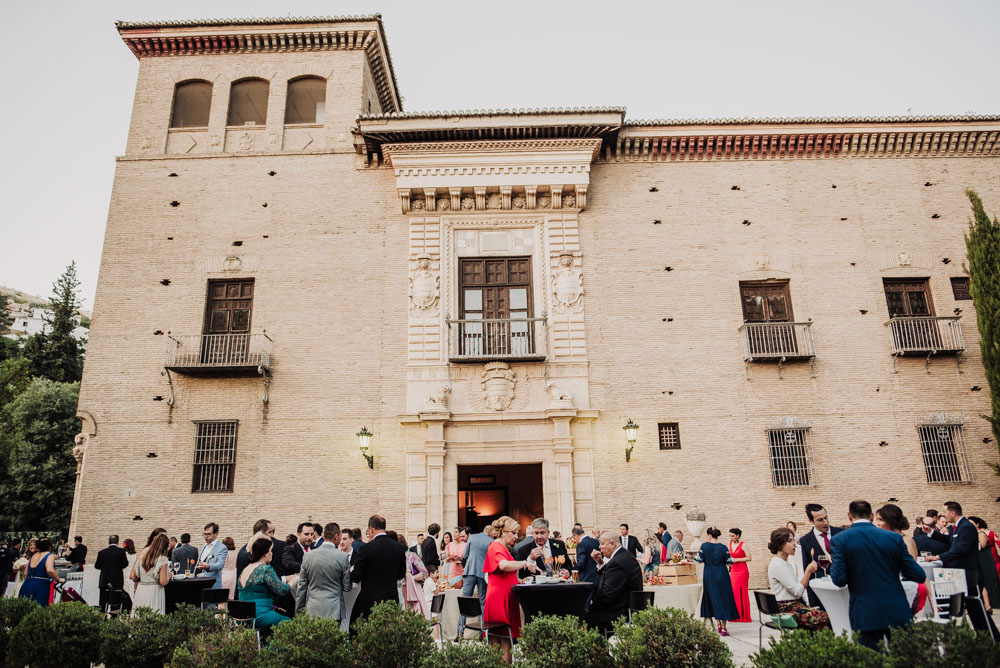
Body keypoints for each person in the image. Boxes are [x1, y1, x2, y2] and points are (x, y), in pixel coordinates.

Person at [830, 500, 925, 651]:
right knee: (905, 658)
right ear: (872, 516)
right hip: (897, 609)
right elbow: (918, 574)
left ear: (849, 516)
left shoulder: (839, 540)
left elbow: (839, 579)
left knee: (872, 660)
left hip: (865, 612)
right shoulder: (894, 538)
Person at [483, 516, 539, 660]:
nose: (516, 537)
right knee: (503, 639)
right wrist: (525, 563)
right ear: (503, 532)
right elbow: (503, 565)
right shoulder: (496, 546)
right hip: (499, 599)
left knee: (501, 639)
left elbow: (502, 574)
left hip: (503, 596)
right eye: (513, 533)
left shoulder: (501, 547)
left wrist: (518, 580)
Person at [766, 527, 830, 629]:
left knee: (823, 622)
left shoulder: (785, 563)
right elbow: (797, 591)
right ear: (780, 544)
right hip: (786, 608)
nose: (794, 544)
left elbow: (799, 588)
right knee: (825, 616)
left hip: (793, 605)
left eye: (794, 540)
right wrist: (808, 573)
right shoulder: (778, 565)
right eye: (789, 541)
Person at [350, 515, 406, 626]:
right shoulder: (399, 548)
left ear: (371, 528)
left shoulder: (366, 549)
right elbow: (400, 575)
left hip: (370, 601)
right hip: (391, 599)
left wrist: (352, 570)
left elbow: (356, 577)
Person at [585, 530, 643, 634]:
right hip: (627, 608)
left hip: (618, 613)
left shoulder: (617, 562)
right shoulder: (625, 555)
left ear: (612, 544)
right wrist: (600, 562)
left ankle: (598, 648)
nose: (599, 547)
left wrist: (591, 602)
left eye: (602, 544)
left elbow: (607, 595)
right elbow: (612, 576)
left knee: (585, 615)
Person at [296, 523, 352, 621]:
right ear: (336, 536)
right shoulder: (342, 557)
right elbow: (347, 587)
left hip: (312, 609)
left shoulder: (308, 556)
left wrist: (298, 612)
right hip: (334, 609)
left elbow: (302, 588)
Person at [239, 537, 295, 629]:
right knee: (288, 623)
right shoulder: (265, 569)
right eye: (270, 551)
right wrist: (294, 580)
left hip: (243, 614)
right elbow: (282, 590)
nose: (272, 554)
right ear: (265, 553)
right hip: (259, 614)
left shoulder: (246, 568)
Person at [799, 503, 845, 607]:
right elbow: (808, 569)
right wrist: (813, 602)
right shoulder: (806, 541)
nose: (825, 522)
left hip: (844, 588)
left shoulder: (842, 533)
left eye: (826, 518)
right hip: (824, 590)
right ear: (811, 521)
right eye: (820, 520)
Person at [695, 527, 739, 636]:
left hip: (709, 574)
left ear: (709, 535)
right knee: (724, 598)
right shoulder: (723, 547)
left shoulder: (704, 546)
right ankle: (724, 628)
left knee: (712, 597)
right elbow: (729, 562)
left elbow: (699, 560)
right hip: (722, 574)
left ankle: (718, 624)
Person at [933, 501, 979, 597]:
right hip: (959, 571)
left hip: (967, 571)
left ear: (953, 513)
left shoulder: (966, 527)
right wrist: (931, 533)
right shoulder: (958, 526)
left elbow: (960, 549)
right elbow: (949, 540)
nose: (944, 515)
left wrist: (938, 557)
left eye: (945, 512)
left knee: (972, 603)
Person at [457, 524, 493, 636]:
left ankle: (460, 631)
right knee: (482, 601)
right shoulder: (491, 541)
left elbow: (466, 554)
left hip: (470, 570)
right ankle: (481, 632)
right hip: (483, 573)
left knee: (465, 600)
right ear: (491, 533)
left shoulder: (472, 537)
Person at [131, 533, 170, 614]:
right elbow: (163, 581)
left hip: (141, 590)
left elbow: (133, 576)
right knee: (154, 614)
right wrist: (169, 575)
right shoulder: (162, 559)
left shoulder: (142, 557)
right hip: (154, 591)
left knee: (139, 616)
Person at [18, 538, 64, 606]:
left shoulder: (34, 556)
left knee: (24, 608)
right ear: (49, 546)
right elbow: (50, 570)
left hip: (27, 583)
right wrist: (59, 579)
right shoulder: (49, 555)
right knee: (39, 609)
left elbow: (25, 573)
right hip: (41, 585)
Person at [970, 517, 1000, 613]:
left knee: (988, 579)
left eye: (972, 523)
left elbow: (982, 545)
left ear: (977, 524)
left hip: (985, 558)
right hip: (980, 558)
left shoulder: (981, 533)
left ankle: (991, 603)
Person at [398, 534, 429, 618]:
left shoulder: (411, 555)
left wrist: (411, 577)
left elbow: (425, 573)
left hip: (414, 589)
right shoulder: (392, 558)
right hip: (399, 591)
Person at [95, 534, 128, 611]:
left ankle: (102, 616)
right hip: (117, 581)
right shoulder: (121, 552)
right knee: (115, 603)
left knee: (103, 603)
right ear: (117, 542)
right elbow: (125, 564)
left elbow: (97, 566)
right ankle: (114, 619)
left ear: (108, 542)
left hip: (104, 580)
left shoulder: (102, 552)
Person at [728, 528, 752, 623]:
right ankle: (735, 614)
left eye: (733, 536)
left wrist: (737, 560)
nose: (731, 538)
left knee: (742, 592)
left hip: (742, 571)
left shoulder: (743, 545)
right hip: (733, 570)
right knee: (734, 591)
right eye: (730, 536)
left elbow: (749, 557)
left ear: (737, 536)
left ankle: (743, 615)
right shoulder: (729, 544)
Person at [196, 522, 228, 588]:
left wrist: (208, 566)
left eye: (209, 534)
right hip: (199, 583)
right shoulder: (203, 546)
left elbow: (220, 564)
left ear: (216, 534)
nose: (206, 536)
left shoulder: (221, 547)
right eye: (204, 534)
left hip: (212, 585)